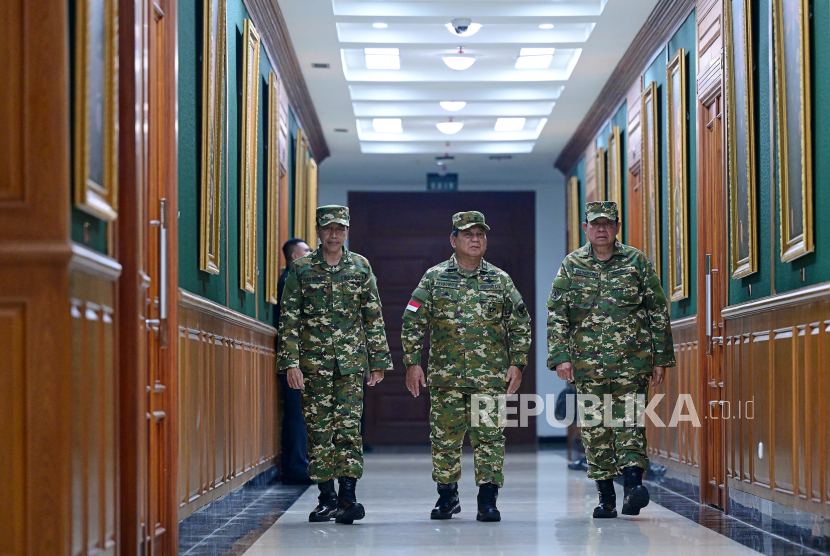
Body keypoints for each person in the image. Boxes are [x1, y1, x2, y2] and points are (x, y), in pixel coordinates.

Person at [547, 201, 675, 519]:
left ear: (617, 227)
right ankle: (605, 497)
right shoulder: (572, 265)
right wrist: (561, 357)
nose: (601, 229)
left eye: (608, 224)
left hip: (632, 362)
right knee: (595, 429)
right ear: (586, 229)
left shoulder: (636, 262)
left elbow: (657, 309)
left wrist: (661, 357)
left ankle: (633, 487)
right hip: (586, 366)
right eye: (595, 224)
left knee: (630, 423)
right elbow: (557, 314)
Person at [401, 211, 531, 522]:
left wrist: (518, 363)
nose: (475, 239)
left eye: (480, 234)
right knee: (445, 439)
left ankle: (488, 500)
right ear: (453, 240)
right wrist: (411, 363)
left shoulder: (500, 280)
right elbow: (412, 321)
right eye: (467, 234)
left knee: (490, 439)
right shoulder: (433, 278)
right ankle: (447, 497)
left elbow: (520, 324)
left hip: (489, 377)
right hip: (446, 377)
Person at [277, 205, 393, 524]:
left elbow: (373, 315)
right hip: (313, 366)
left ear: (347, 231)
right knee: (318, 432)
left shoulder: (359, 267)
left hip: (351, 365)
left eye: (340, 228)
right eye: (328, 228)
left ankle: (348, 497)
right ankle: (326, 497)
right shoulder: (300, 270)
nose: (334, 234)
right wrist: (291, 363)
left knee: (349, 430)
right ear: (318, 230)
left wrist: (378, 360)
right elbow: (288, 320)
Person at [276, 238, 312, 485]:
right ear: (293, 257)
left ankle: (300, 464)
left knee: (301, 412)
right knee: (297, 412)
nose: (311, 254)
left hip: (300, 356)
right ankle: (297, 467)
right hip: (295, 357)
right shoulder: (291, 280)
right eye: (306, 251)